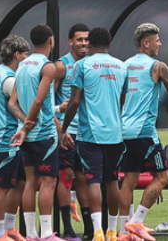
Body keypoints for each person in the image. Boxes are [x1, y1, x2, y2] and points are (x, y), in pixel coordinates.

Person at [118, 23, 168, 241]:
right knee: (163, 177)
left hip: (124, 130)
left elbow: (121, 99)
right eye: (157, 40)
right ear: (146, 43)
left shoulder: (125, 65)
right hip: (144, 132)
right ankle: (136, 221)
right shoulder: (158, 66)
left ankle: (123, 231)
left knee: (129, 179)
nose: (160, 44)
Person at [61, 27, 126, 241]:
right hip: (116, 133)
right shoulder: (121, 66)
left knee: (94, 181)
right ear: (109, 44)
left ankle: (97, 231)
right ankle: (113, 231)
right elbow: (121, 100)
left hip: (91, 134)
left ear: (89, 44)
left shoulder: (81, 65)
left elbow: (75, 101)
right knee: (113, 181)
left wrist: (64, 128)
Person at [10, 24, 64, 241]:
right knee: (49, 182)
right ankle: (47, 234)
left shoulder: (22, 65)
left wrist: (24, 127)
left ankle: (31, 234)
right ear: (51, 40)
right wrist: (28, 125)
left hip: (28, 136)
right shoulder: (47, 66)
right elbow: (40, 100)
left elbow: (12, 104)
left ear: (32, 42)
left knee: (31, 182)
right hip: (43, 134)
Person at [0, 35, 33, 241]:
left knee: (20, 183)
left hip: (11, 138)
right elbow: (21, 105)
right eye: (26, 55)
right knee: (2, 186)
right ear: (17, 55)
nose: (28, 59)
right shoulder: (10, 79)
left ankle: (10, 229)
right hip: (6, 139)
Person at [55, 24, 94, 240]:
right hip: (67, 131)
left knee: (84, 177)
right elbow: (46, 102)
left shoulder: (91, 65)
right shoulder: (61, 66)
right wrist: (61, 128)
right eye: (79, 40)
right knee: (66, 175)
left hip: (88, 132)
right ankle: (67, 229)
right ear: (70, 41)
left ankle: (89, 229)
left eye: (87, 39)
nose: (84, 43)